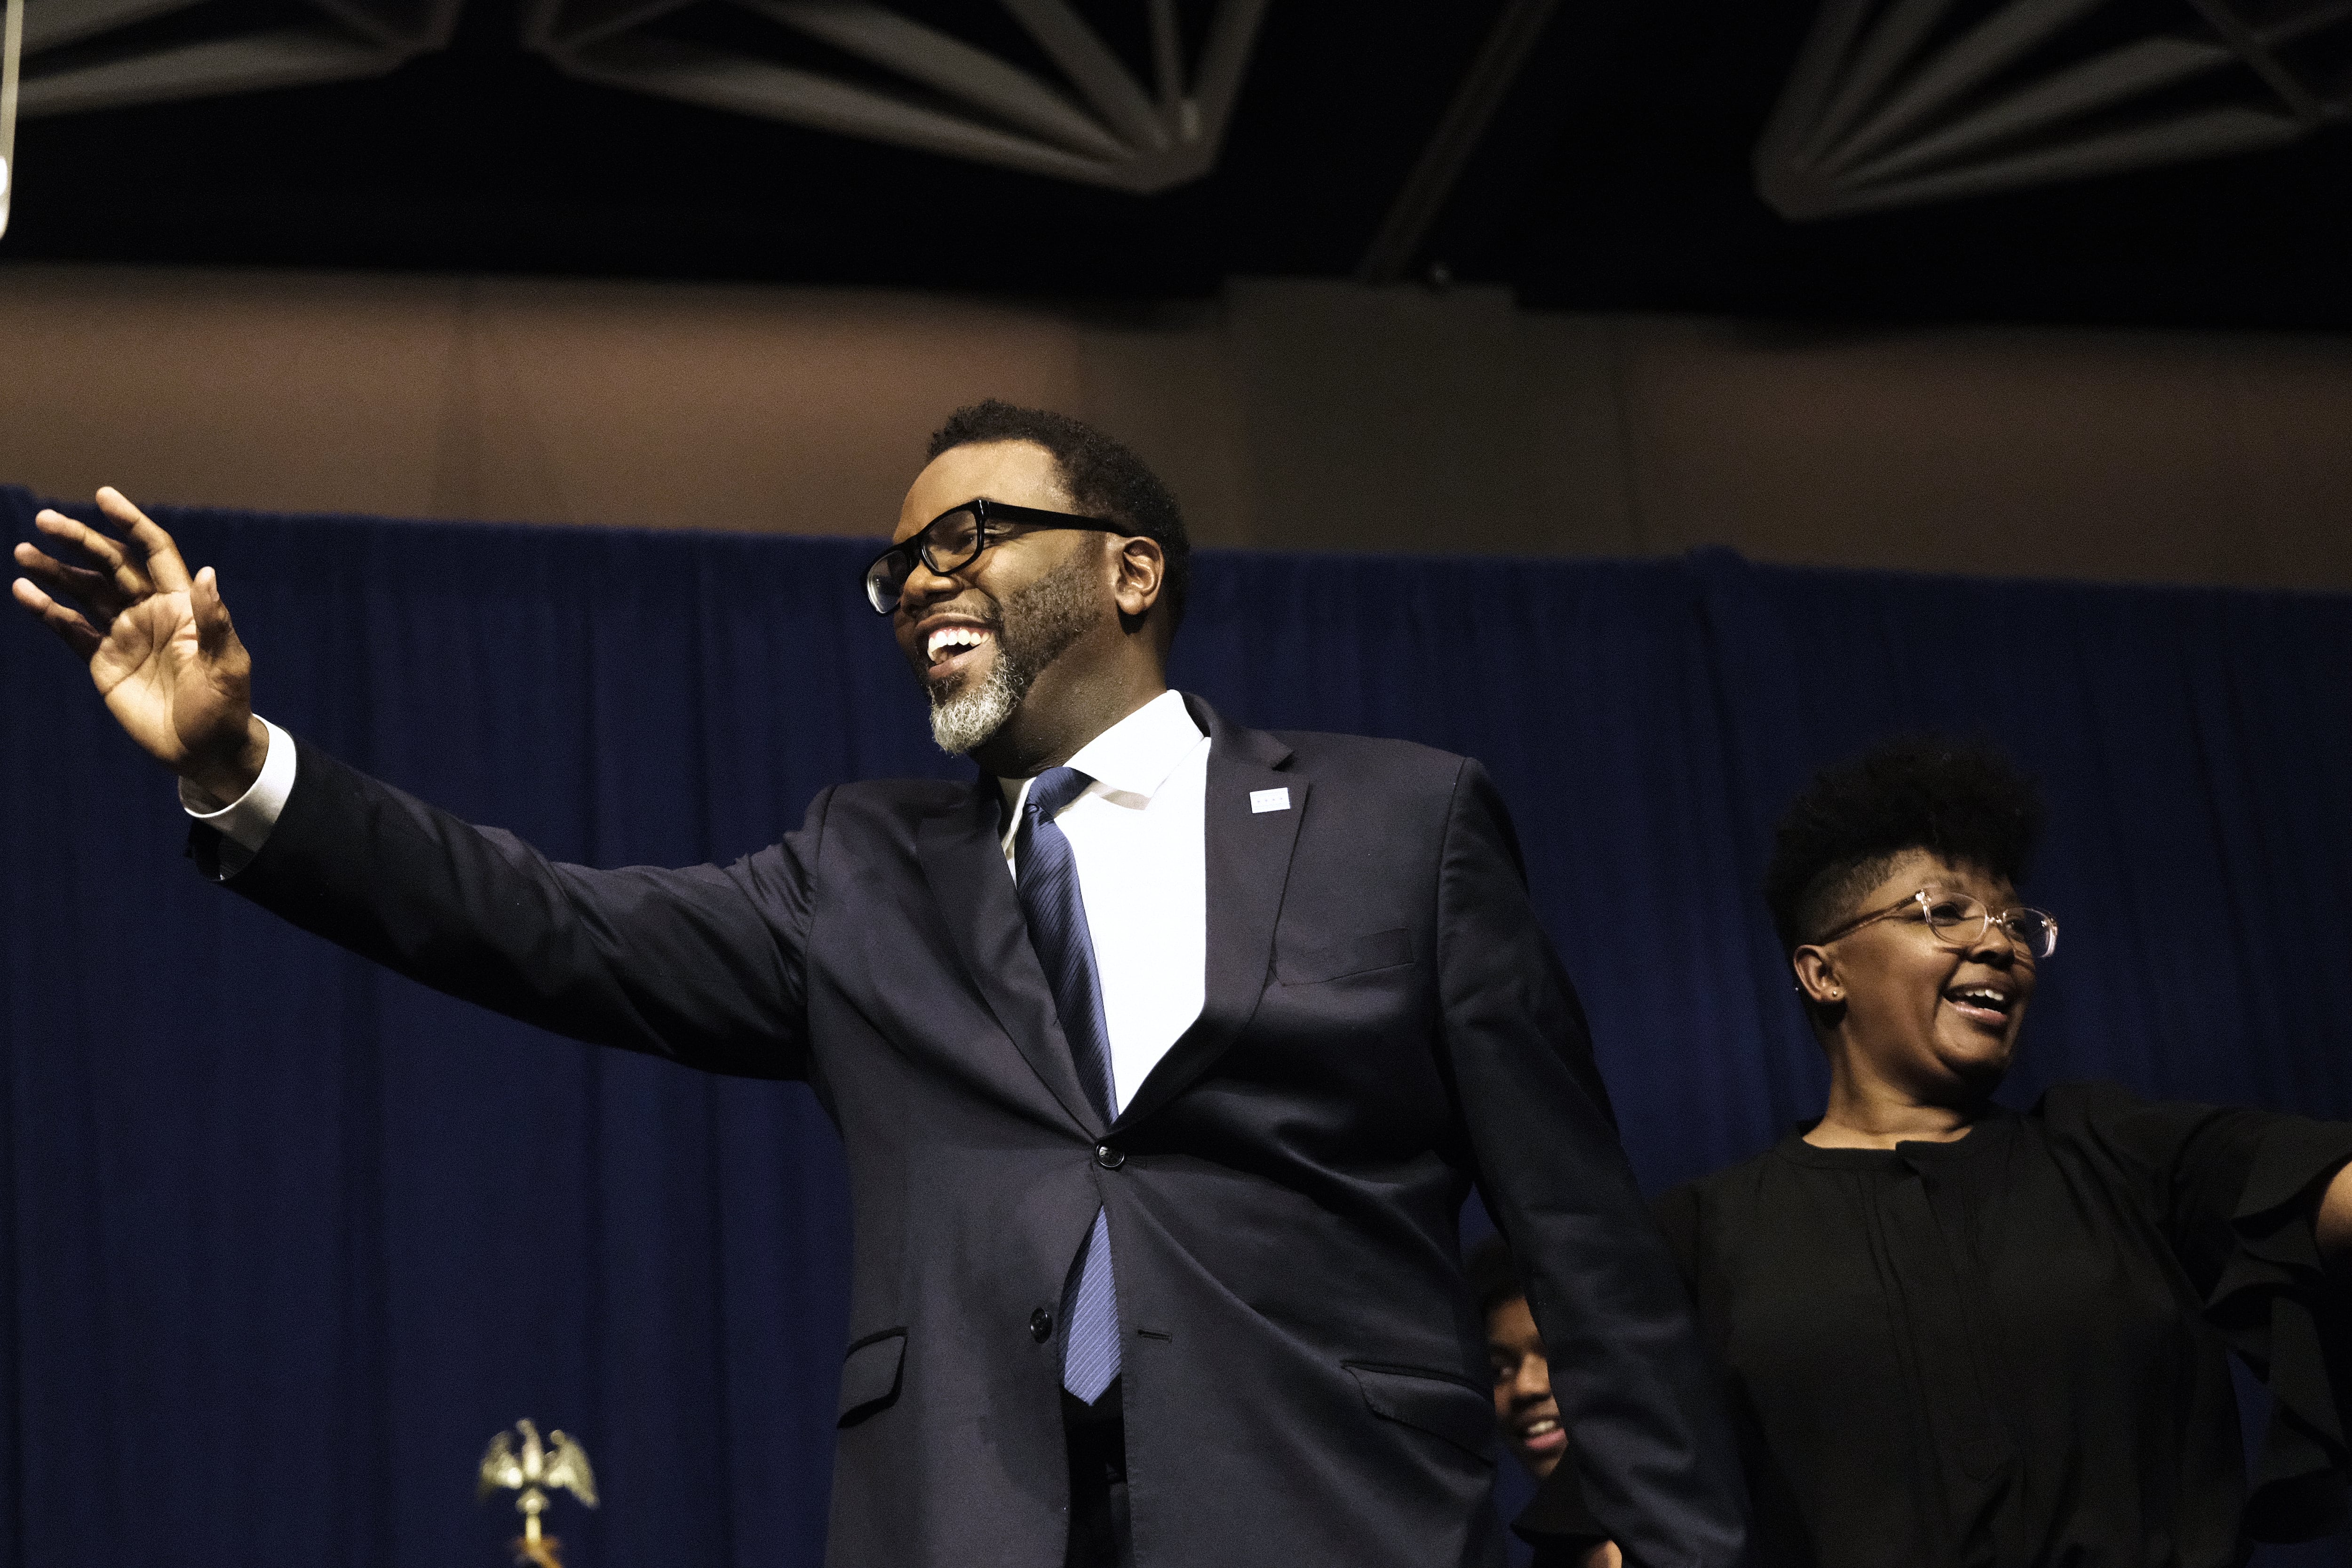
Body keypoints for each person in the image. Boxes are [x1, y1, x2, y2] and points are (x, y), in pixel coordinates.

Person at [11, 401, 1747, 1568]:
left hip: (1333, 1515)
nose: (921, 582)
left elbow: (1586, 1248)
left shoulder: (1401, 819)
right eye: (899, 564)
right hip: (968, 1520)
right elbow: (546, 921)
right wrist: (243, 765)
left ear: (1133, 570)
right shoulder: (865, 866)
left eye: (972, 535)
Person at [1518, 737, 2352, 1568]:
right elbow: (1613, 1518)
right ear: (1823, 973)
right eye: (1943, 912)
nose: (1999, 945)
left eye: (2016, 921)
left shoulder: (2116, 1156)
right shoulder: (1702, 1237)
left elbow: (2315, 1183)